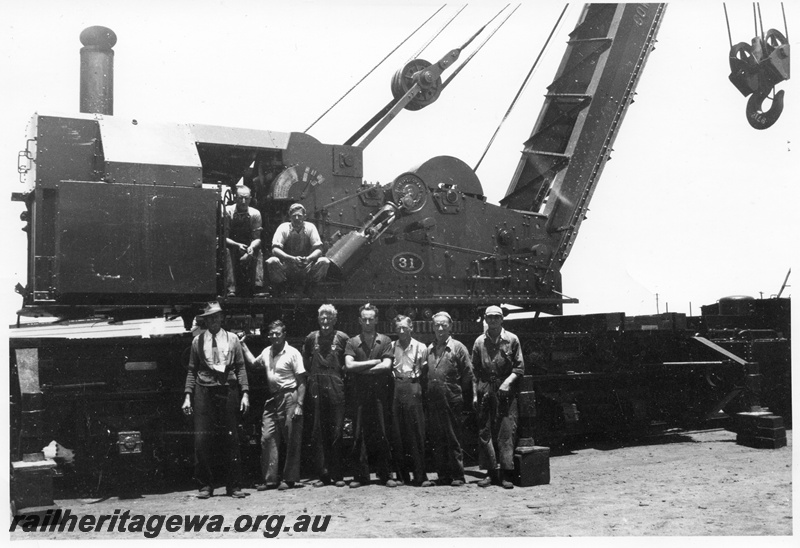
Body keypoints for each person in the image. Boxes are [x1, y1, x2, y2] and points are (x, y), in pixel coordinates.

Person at [182, 301, 249, 499]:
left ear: (221, 318)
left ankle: (234, 486)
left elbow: (241, 367)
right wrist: (187, 396)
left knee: (231, 438)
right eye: (208, 318)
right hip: (204, 391)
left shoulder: (233, 339)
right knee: (202, 439)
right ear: (205, 321)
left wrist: (245, 393)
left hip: (228, 390)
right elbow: (192, 370)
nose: (212, 320)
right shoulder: (197, 341)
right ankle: (205, 486)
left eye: (215, 317)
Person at [472, 305, 525, 489]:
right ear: (485, 319)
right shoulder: (479, 342)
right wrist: (475, 394)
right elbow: (474, 371)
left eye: (496, 317)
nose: (493, 320)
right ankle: (490, 473)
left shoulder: (512, 339)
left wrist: (507, 382)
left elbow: (519, 368)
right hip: (485, 387)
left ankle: (505, 474)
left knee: (506, 430)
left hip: (505, 388)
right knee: (485, 431)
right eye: (490, 317)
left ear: (502, 319)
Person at [251, 320, 307, 491]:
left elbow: (302, 381)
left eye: (278, 333)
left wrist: (299, 405)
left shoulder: (293, 353)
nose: (274, 336)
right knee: (267, 437)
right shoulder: (267, 351)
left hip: (290, 396)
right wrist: (242, 346)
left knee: (291, 438)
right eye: (272, 333)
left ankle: (289, 479)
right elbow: (254, 364)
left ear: (284, 334)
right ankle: (270, 479)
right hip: (273, 398)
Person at [344, 303, 395, 488]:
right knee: (359, 433)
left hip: (380, 394)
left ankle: (386, 474)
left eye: (370, 319)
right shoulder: (352, 342)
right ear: (359, 320)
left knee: (382, 431)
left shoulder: (385, 340)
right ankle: (360, 476)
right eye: (364, 319)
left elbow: (387, 366)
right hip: (359, 394)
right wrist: (374, 362)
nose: (367, 322)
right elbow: (349, 365)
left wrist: (362, 369)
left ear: (376, 320)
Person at [303, 304, 349, 488]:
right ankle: (323, 475)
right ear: (318, 319)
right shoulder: (311, 338)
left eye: (329, 317)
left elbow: (348, 361)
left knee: (337, 430)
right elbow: (306, 360)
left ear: (335, 320)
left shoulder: (343, 338)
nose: (325, 320)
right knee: (318, 431)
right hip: (316, 385)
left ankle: (338, 474)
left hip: (336, 385)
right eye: (322, 317)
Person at [426, 311, 473, 486]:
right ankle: (443, 475)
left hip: (452, 399)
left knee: (453, 437)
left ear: (450, 326)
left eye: (443, 325)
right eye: (437, 325)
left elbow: (468, 374)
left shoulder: (458, 347)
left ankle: (458, 476)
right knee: (437, 438)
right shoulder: (429, 348)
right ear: (433, 327)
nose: (440, 328)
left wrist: (456, 391)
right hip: (434, 400)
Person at [390, 315, 434, 487]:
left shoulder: (421, 347)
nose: (401, 331)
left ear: (411, 329)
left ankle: (420, 476)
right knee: (398, 433)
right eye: (398, 328)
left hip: (414, 386)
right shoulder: (392, 346)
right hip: (397, 385)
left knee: (416, 432)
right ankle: (401, 476)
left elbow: (425, 370)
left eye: (405, 328)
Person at [266, 203, 329, 289]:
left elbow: (319, 248)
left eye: (299, 215)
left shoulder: (310, 227)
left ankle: (312, 287)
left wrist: (308, 259)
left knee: (324, 261)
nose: (296, 218)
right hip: (288, 266)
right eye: (294, 215)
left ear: (304, 216)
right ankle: (280, 288)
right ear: (289, 217)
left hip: (306, 266)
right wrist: (291, 258)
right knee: (272, 261)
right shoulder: (283, 228)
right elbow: (275, 249)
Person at [224, 185, 263, 297]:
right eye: (240, 198)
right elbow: (224, 237)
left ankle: (258, 285)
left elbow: (257, 238)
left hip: (248, 246)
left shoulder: (255, 214)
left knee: (258, 252)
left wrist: (251, 247)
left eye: (246, 198)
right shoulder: (228, 211)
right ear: (235, 198)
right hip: (232, 245)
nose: (243, 201)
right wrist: (237, 245)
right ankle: (231, 288)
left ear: (251, 199)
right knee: (226, 251)